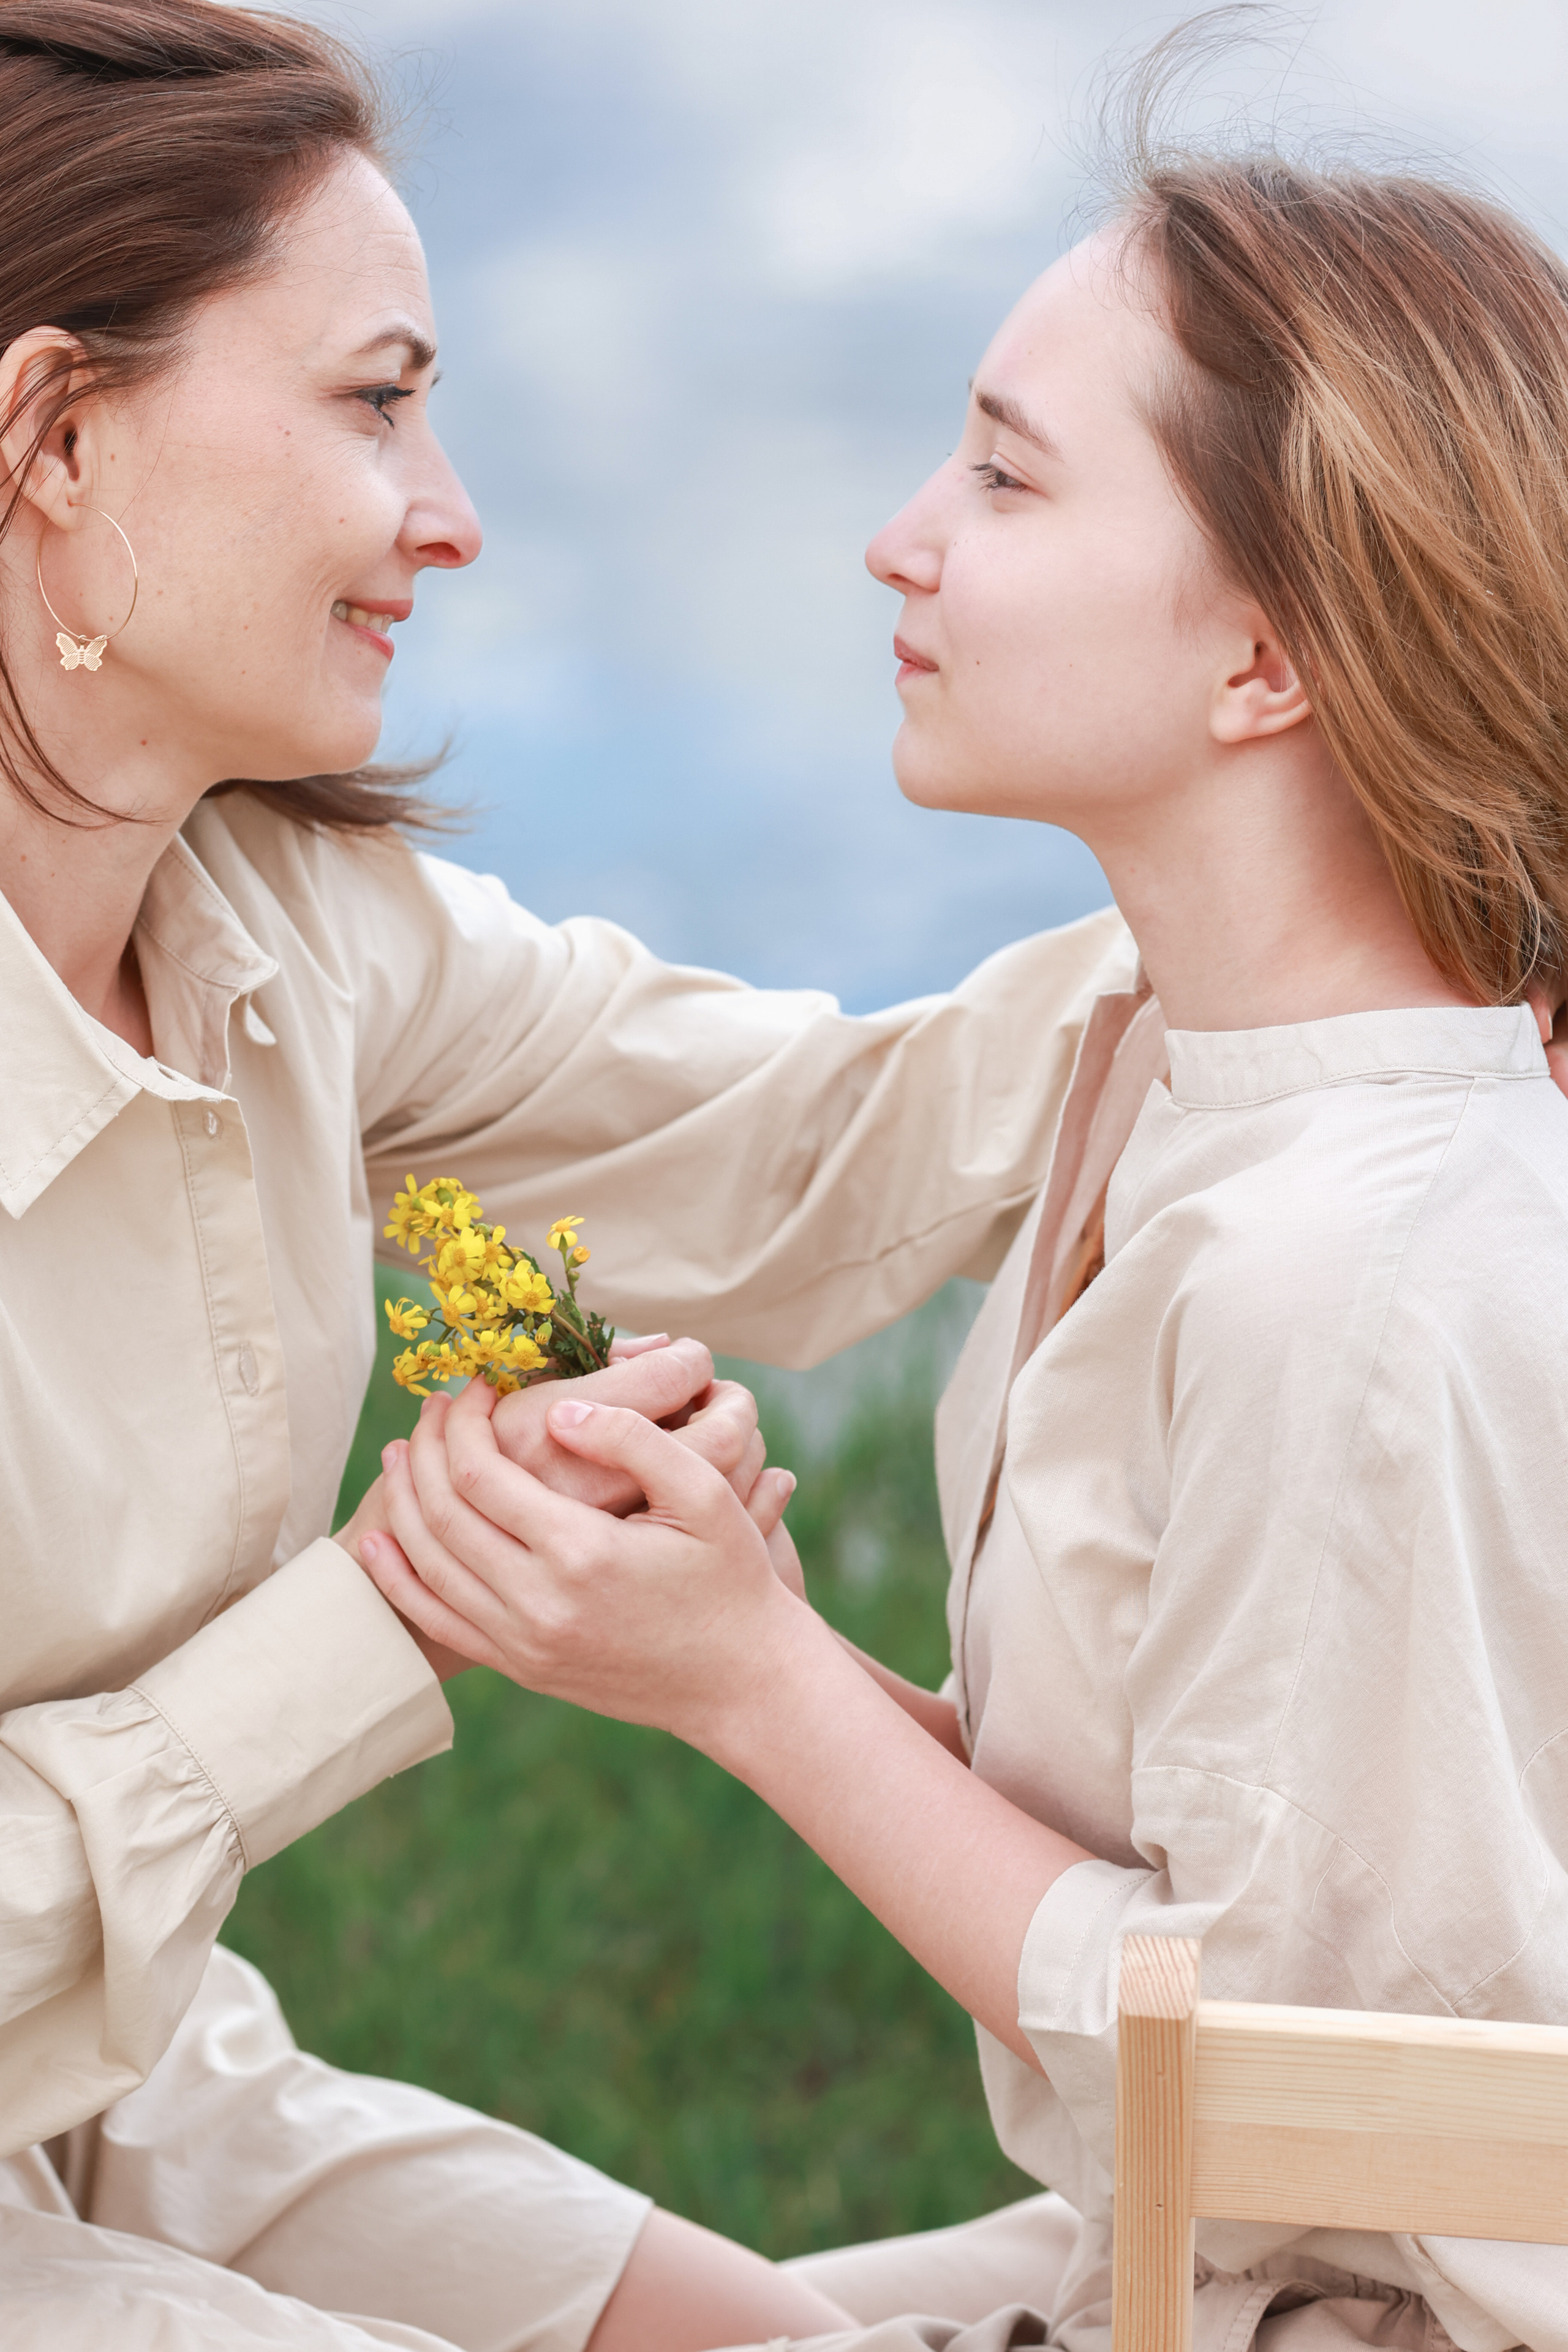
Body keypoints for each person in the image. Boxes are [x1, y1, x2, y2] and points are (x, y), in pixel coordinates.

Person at [366, 66, 1568, 2352]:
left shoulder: (1379, 1274)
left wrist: (749, 1685)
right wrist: (721, 1624)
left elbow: (1345, 2134)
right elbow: (1221, 1885)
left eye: (1007, 476)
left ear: (1268, 662)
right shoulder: (1145, 1062)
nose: (900, 536)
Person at [0, 4, 1144, 2348]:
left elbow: (812, 1153)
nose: (453, 509)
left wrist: (1377, 881)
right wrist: (387, 1613)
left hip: (104, 2084)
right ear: (56, 430)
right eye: (374, 396)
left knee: (783, 2349)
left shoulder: (286, 928)